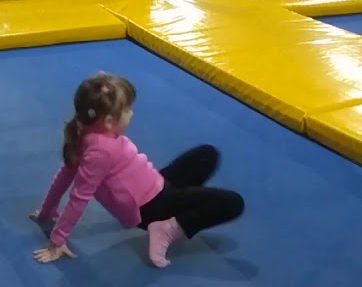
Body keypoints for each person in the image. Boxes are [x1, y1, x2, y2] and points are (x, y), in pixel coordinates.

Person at [30, 73, 245, 268]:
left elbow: (64, 175)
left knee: (207, 154)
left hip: (156, 184)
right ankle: (167, 227)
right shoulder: (101, 152)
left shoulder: (84, 131)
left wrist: (47, 211)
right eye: (127, 110)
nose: (131, 113)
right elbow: (79, 196)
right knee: (233, 203)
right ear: (109, 121)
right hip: (149, 208)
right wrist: (57, 240)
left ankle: (181, 210)